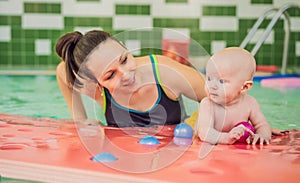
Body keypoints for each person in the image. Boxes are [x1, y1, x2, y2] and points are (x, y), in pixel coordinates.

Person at [55, 30, 207, 128]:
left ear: (125, 48)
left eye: (124, 60)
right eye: (110, 75)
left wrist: (199, 123)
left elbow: (219, 95)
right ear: (97, 84)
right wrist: (80, 119)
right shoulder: (95, 89)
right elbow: (62, 71)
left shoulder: (164, 72)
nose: (126, 75)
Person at [195, 47, 272, 145]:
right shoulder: (208, 104)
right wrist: (226, 138)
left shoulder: (250, 103)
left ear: (245, 87)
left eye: (221, 81)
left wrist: (262, 135)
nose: (212, 86)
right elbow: (204, 132)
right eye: (209, 78)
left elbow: (262, 124)